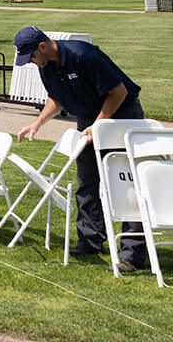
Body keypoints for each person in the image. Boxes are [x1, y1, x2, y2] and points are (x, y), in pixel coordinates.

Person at [13, 26, 147, 273]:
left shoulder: (83, 55)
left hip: (122, 117)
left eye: (31, 56)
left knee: (127, 184)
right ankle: (90, 241)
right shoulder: (46, 67)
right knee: (87, 181)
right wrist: (37, 123)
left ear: (43, 46)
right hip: (89, 121)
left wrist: (100, 124)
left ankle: (132, 254)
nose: (31, 63)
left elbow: (119, 92)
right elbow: (57, 98)